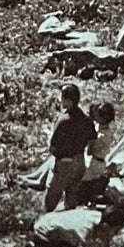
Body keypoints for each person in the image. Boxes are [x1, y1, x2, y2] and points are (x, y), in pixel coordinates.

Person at [45, 83, 96, 211]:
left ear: (68, 100)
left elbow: (52, 147)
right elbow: (92, 142)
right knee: (71, 199)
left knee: (51, 199)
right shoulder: (87, 120)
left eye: (62, 97)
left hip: (65, 163)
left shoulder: (63, 121)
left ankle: (45, 224)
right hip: (80, 163)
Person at [77, 102, 117, 205]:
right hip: (99, 161)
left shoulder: (101, 135)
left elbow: (90, 150)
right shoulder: (105, 129)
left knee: (80, 179)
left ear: (103, 118)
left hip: (95, 161)